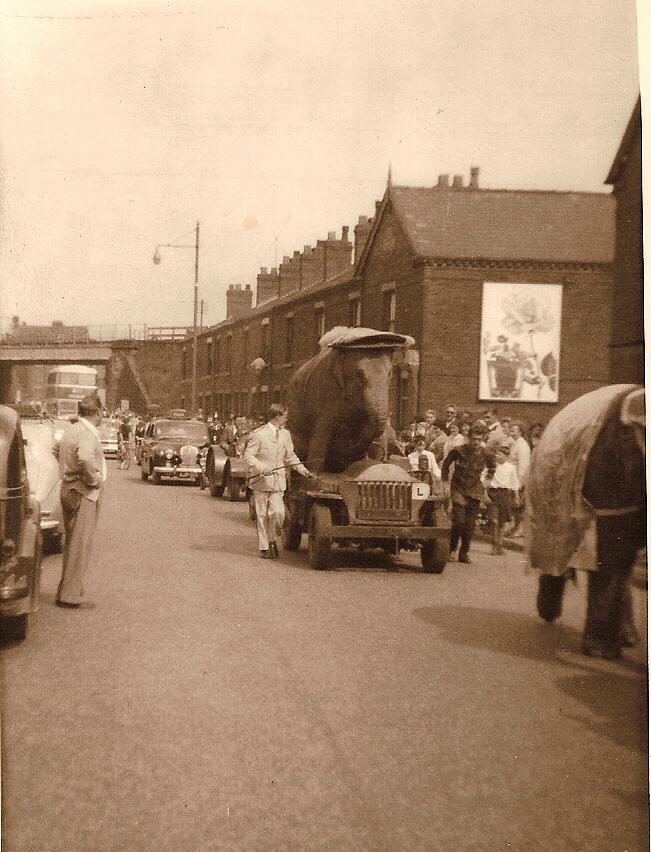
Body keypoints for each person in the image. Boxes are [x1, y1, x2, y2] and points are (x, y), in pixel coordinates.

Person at [56, 394, 106, 607]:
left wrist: (67, 471)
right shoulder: (87, 433)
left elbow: (55, 449)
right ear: (97, 412)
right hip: (83, 492)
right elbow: (85, 457)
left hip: (68, 488)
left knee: (71, 543)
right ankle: (71, 595)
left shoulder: (72, 429)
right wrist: (93, 479)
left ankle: (64, 590)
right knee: (81, 544)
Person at [244, 404, 311, 559]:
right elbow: (248, 456)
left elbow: (290, 456)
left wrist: (303, 470)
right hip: (261, 480)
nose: (286, 420)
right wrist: (262, 467)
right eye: (284, 417)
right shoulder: (258, 434)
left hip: (278, 481)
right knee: (261, 514)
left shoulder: (286, 435)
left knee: (278, 513)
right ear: (277, 416)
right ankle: (264, 547)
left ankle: (272, 537)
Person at [441, 423, 496, 564]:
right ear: (468, 438)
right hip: (458, 487)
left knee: (470, 525)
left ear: (483, 438)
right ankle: (452, 550)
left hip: (475, 490)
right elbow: (446, 464)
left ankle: (464, 553)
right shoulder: (459, 450)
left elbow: (492, 468)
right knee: (459, 521)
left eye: (479, 440)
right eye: (473, 439)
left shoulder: (486, 453)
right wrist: (445, 482)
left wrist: (487, 481)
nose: (476, 443)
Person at [483, 445, 520, 555]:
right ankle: (494, 545)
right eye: (497, 454)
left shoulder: (511, 468)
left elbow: (514, 483)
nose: (497, 456)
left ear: (506, 456)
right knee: (494, 520)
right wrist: (485, 495)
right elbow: (484, 481)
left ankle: (500, 545)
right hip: (493, 493)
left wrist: (517, 497)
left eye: (500, 454)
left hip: (505, 495)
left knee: (502, 522)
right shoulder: (490, 466)